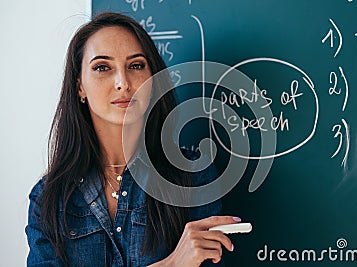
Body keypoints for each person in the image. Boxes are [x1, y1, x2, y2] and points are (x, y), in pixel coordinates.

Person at [25, 12, 241, 267]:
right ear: (79, 86)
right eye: (102, 67)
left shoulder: (192, 175)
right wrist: (171, 264)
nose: (123, 83)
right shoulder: (49, 198)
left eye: (136, 65)